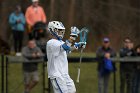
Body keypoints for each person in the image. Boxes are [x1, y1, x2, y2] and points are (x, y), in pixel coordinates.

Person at [46, 21, 86, 93]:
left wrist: (78, 45)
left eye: (61, 31)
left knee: (72, 91)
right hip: (56, 74)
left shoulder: (61, 42)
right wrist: (73, 36)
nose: (61, 32)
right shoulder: (51, 42)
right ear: (52, 30)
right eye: (58, 30)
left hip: (64, 73)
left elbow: (67, 50)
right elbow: (65, 47)